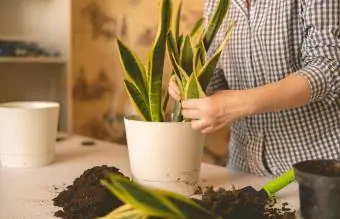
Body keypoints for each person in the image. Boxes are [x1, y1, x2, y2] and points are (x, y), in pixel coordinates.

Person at [168, 0, 340, 176]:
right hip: (243, 166)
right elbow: (216, 70)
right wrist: (189, 82)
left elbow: (328, 68)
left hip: (316, 169)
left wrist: (235, 105)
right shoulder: (214, 3)